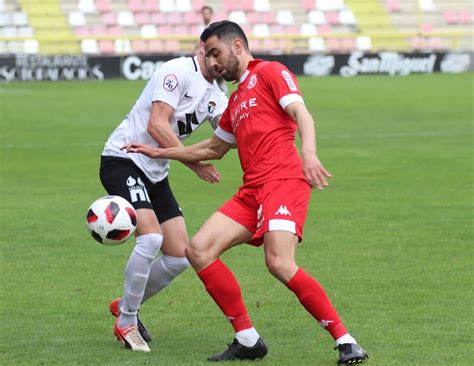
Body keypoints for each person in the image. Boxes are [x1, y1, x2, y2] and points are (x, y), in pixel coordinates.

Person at [123, 21, 368, 364]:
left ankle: (346, 341)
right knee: (198, 250)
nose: (212, 62)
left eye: (215, 52)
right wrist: (159, 152)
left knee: (279, 263)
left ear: (237, 46)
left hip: (283, 181)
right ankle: (247, 339)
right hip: (252, 191)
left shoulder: (270, 72)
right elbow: (212, 148)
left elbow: (301, 112)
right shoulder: (234, 100)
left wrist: (309, 153)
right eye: (207, 55)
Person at [100, 49, 227, 352]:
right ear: (201, 48)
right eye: (213, 52)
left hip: (156, 172)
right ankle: (127, 321)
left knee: (179, 256)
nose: (218, 61)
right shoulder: (177, 71)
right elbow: (156, 125)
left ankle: (126, 304)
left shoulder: (216, 94)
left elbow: (228, 134)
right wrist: (197, 164)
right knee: (150, 239)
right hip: (124, 159)